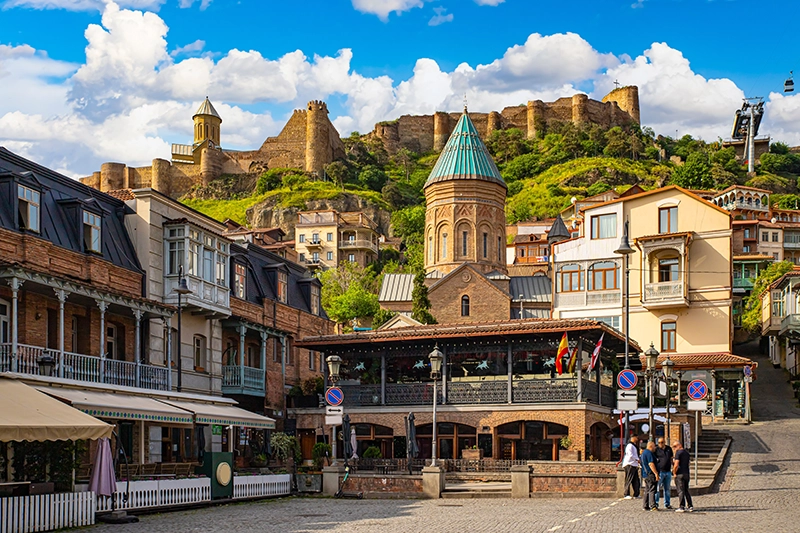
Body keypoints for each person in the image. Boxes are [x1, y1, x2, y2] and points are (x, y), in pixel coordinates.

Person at [672, 442, 694, 512]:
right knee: (686, 490)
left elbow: (676, 464)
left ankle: (682, 506)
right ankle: (690, 505)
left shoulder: (678, 453)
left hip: (680, 473)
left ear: (679, 445)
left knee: (680, 490)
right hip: (686, 473)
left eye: (675, 446)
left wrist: (674, 472)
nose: (674, 448)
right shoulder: (686, 453)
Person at [654, 437, 674, 509]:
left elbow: (671, 458)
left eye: (662, 442)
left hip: (668, 471)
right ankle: (656, 503)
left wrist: (673, 468)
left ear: (664, 442)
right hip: (660, 472)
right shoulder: (656, 450)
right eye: (659, 443)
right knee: (657, 489)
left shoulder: (669, 449)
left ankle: (667, 503)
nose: (660, 444)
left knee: (667, 489)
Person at [640, 441, 659, 511]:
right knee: (652, 490)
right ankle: (653, 505)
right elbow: (651, 464)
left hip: (645, 474)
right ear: (651, 446)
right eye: (654, 446)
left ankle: (645, 505)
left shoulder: (643, 453)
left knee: (647, 490)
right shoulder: (649, 453)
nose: (655, 448)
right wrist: (656, 473)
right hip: (650, 474)